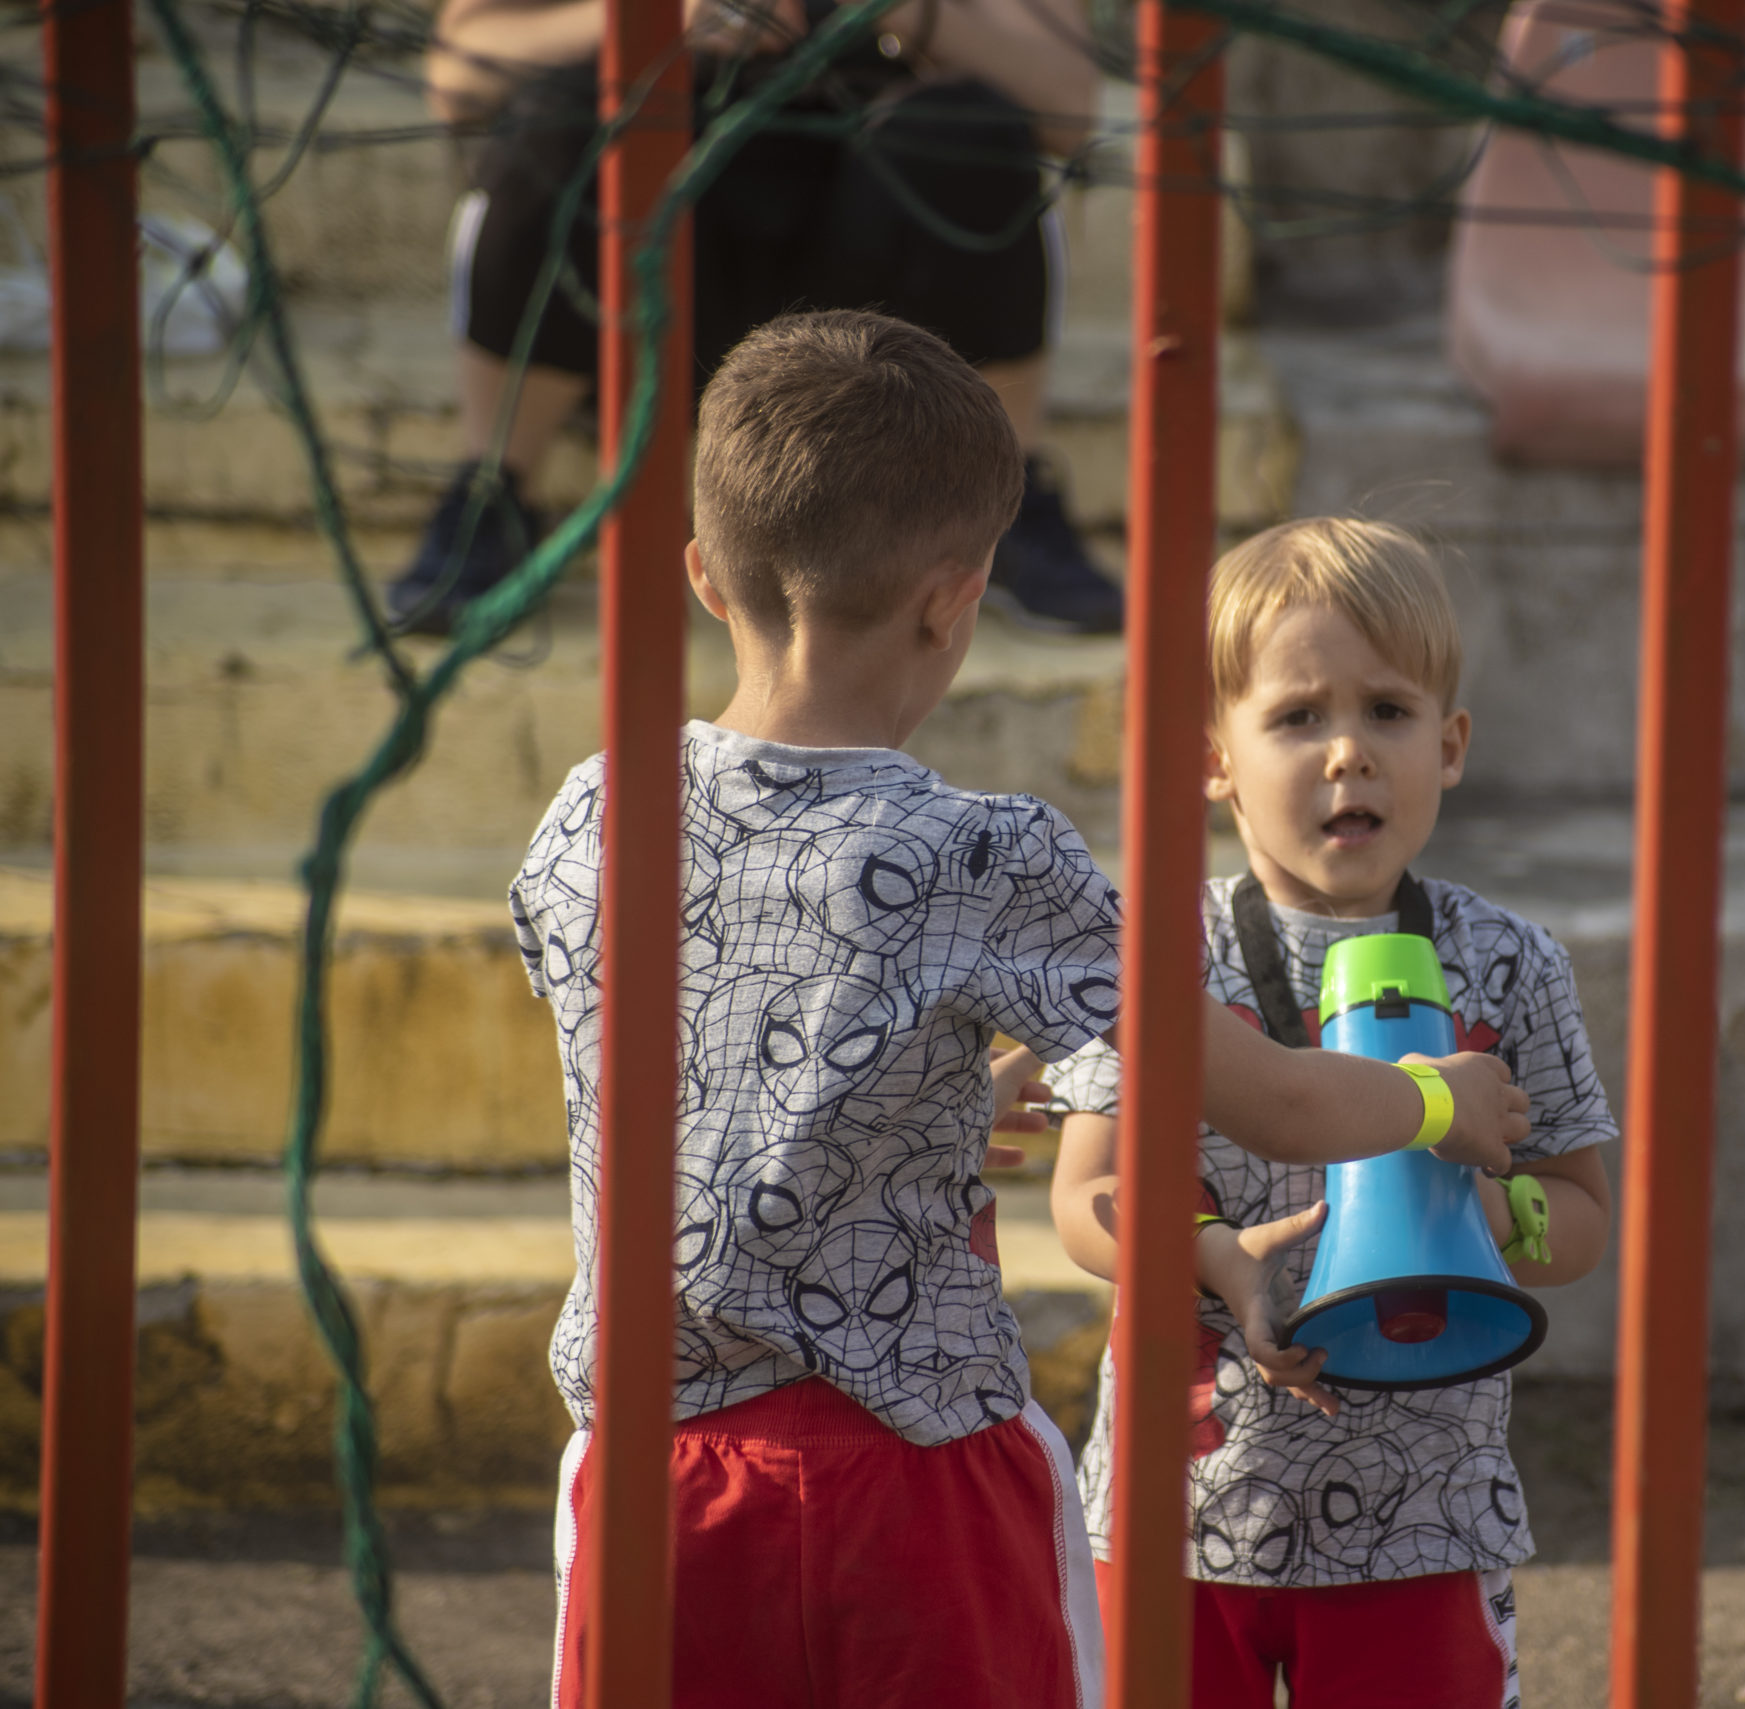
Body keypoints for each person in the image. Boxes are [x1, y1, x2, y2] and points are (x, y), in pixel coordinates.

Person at [507, 313, 1531, 1709]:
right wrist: (1432, 1099)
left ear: (701, 574)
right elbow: (1273, 1098)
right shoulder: (985, 853)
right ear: (955, 601)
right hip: (918, 1474)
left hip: (655, 1471)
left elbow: (690, 1052)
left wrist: (915, 1086)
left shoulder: (595, 812)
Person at [1047, 517, 1619, 1709]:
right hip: (1175, 1513)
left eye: (1388, 711)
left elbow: (1582, 1217)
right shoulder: (1161, 946)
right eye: (1299, 715)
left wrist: (1492, 1209)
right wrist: (1211, 1255)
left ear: (1449, 745)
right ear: (1214, 757)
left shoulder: (1509, 960)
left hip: (1424, 1520)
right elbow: (1085, 1198)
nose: (1348, 751)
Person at [402, 0, 1124, 636]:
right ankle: (492, 492)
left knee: (966, 127)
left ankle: (1006, 504)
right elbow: (458, 79)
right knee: (562, 117)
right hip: (655, 256)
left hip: (870, 293)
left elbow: (1067, 103)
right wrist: (659, 18)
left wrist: (895, 10)